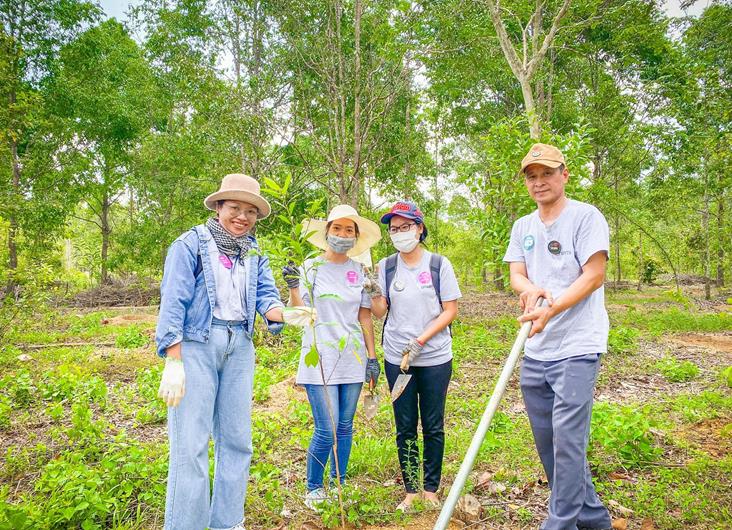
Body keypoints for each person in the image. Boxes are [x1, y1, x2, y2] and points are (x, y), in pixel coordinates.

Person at [155, 173, 314, 530]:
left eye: (250, 211)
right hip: (197, 344)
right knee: (191, 445)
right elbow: (174, 300)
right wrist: (173, 359)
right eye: (234, 208)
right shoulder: (190, 244)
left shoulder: (254, 252)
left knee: (237, 441)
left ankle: (227, 523)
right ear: (218, 207)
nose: (242, 217)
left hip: (239, 345)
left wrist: (291, 313)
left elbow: (266, 300)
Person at [503, 143, 613, 530]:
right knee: (549, 443)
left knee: (568, 441)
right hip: (536, 347)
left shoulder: (586, 217)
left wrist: (552, 308)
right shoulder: (523, 226)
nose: (539, 182)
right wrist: (530, 289)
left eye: (547, 173)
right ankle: (594, 520)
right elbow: (517, 274)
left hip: (578, 344)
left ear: (564, 175)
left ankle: (559, 523)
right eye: (532, 176)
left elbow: (594, 275)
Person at [282, 204, 382, 510]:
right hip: (320, 357)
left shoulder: (360, 271)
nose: (342, 234)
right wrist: (294, 287)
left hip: (352, 358)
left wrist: (372, 358)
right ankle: (314, 488)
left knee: (345, 427)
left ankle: (339, 484)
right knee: (326, 429)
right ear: (327, 232)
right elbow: (299, 314)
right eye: (337, 228)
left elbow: (365, 317)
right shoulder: (310, 267)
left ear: (355, 236)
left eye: (348, 230)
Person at [369, 200, 461, 512]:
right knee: (405, 424)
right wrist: (372, 290)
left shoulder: (438, 265)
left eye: (405, 227)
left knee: (433, 424)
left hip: (435, 358)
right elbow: (380, 311)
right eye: (394, 229)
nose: (399, 233)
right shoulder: (385, 267)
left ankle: (431, 489)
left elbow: (450, 310)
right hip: (398, 360)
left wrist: (421, 340)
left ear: (419, 228)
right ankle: (411, 490)